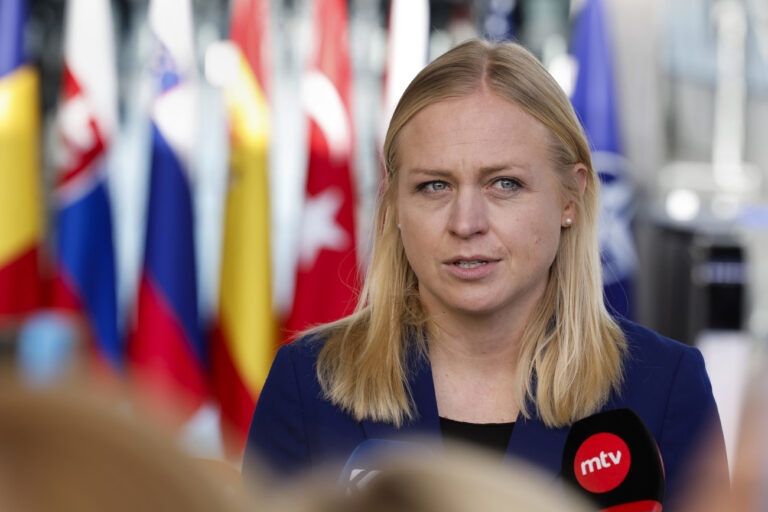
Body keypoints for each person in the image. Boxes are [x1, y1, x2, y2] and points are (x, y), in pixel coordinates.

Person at [244, 39, 727, 510]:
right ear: (392, 202)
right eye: (434, 185)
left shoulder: (665, 386)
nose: (465, 222)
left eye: (504, 184)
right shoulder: (308, 383)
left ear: (570, 197)